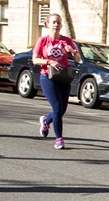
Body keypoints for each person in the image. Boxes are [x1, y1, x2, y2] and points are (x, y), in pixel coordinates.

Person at [33, 13, 81, 150]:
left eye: (58, 23)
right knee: (58, 108)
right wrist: (49, 61)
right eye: (53, 22)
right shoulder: (42, 41)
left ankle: (46, 120)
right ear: (47, 24)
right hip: (47, 77)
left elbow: (77, 60)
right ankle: (59, 139)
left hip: (64, 77)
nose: (56, 25)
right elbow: (35, 59)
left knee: (62, 109)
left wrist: (73, 51)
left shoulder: (66, 41)